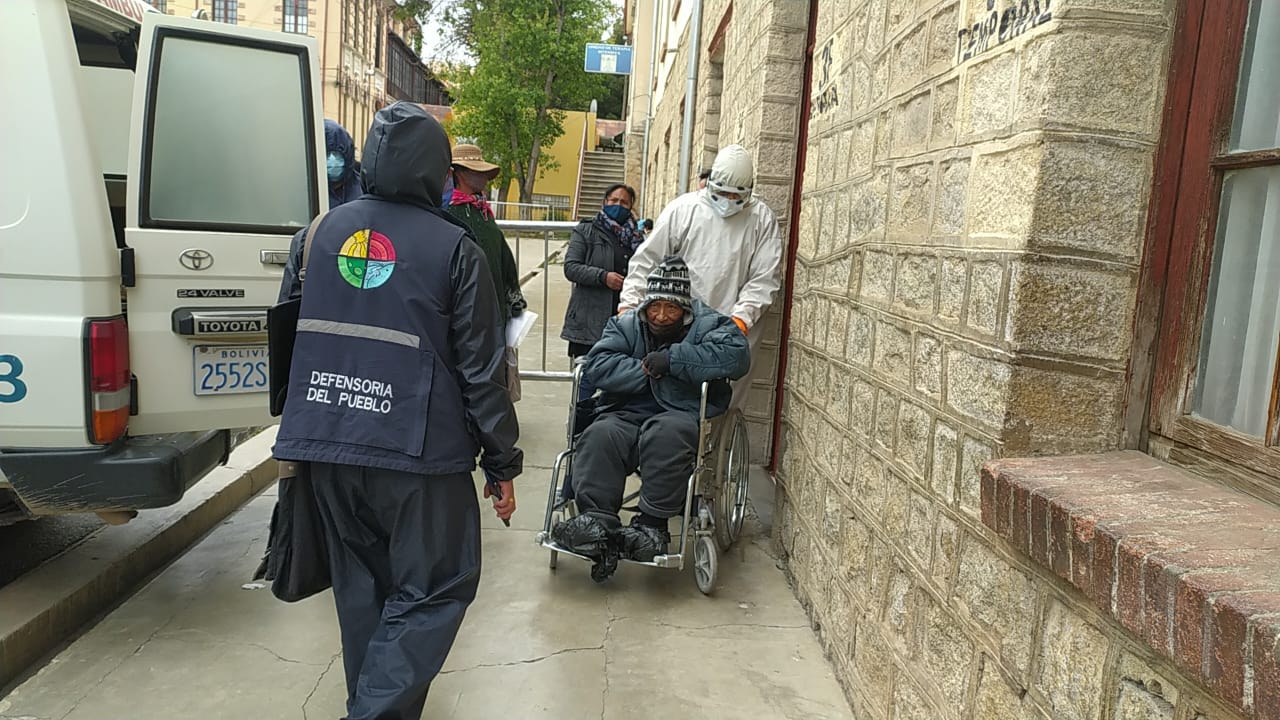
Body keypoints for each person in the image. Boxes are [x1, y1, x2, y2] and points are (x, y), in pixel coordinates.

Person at [273, 102, 522, 720]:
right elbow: (481, 370)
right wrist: (501, 462)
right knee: (434, 589)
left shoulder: (315, 236)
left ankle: (376, 706)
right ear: (437, 170)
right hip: (419, 457)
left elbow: (288, 340)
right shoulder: (456, 250)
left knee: (363, 594)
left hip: (326, 441)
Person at [551, 256, 751, 581]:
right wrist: (647, 370)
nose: (660, 316)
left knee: (666, 436)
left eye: (670, 309)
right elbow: (598, 364)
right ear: (646, 303)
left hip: (681, 412)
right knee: (600, 435)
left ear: (685, 308)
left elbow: (737, 356)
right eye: (654, 306)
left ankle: (652, 525)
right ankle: (597, 522)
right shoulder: (627, 324)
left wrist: (674, 360)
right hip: (626, 411)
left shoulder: (710, 324)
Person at [619, 145, 783, 406]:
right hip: (678, 319)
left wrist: (741, 319)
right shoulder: (684, 210)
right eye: (722, 193)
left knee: (719, 403)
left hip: (730, 324)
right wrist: (628, 305)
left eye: (735, 195)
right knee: (669, 393)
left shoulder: (760, 219)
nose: (728, 200)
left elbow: (764, 279)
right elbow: (646, 261)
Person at [561, 183, 638, 430]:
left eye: (624, 203)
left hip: (622, 322)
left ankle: (602, 433)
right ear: (604, 201)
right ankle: (577, 434)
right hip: (589, 321)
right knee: (587, 380)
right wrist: (603, 277)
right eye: (613, 200)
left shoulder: (637, 238)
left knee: (615, 384)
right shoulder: (586, 231)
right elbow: (571, 267)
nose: (618, 206)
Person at [277, 119, 364, 303]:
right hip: (311, 271)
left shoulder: (363, 189)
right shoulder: (302, 190)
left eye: (338, 153)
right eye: (327, 154)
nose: (333, 161)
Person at [443, 144, 527, 322]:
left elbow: (503, 258)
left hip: (492, 308)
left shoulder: (484, 212)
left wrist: (512, 296)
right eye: (476, 171)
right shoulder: (446, 213)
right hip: (462, 311)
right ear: (458, 173)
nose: (484, 177)